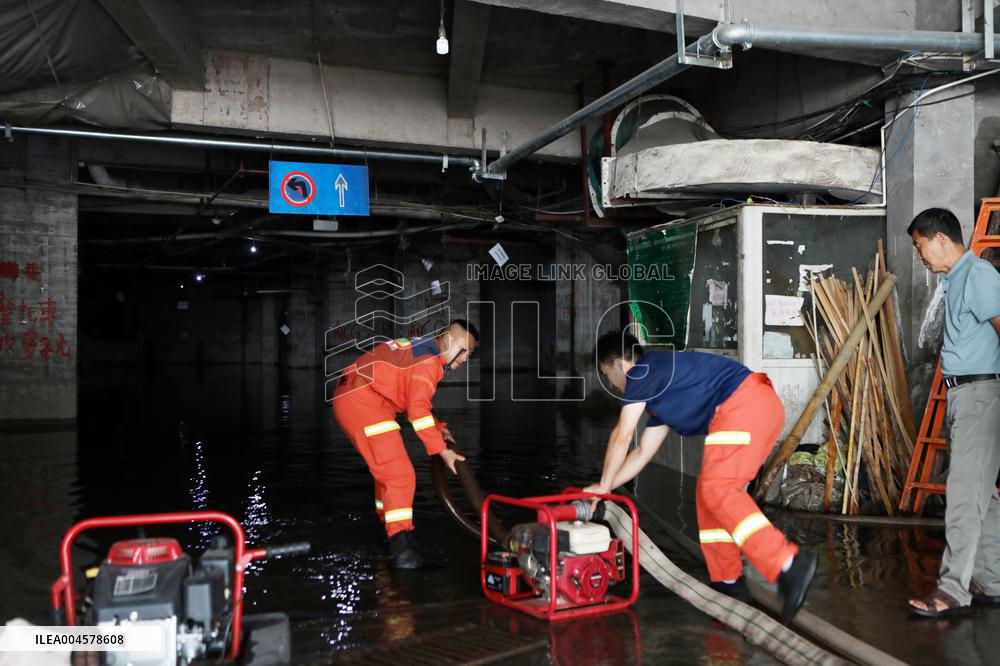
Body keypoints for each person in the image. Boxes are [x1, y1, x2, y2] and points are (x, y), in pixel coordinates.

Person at [584, 331, 817, 622]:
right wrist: (605, 486)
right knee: (709, 495)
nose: (610, 386)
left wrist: (604, 487)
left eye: (607, 376)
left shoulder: (644, 372)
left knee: (718, 490)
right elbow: (642, 452)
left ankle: (787, 563)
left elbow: (622, 435)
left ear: (620, 364)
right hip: (755, 406)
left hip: (744, 405)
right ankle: (728, 581)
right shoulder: (659, 389)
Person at [905, 207, 1000, 618]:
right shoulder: (956, 280)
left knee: (963, 495)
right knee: (983, 495)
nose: (920, 256)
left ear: (940, 239)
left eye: (920, 246)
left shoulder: (978, 275)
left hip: (981, 393)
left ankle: (951, 591)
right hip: (964, 395)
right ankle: (991, 579)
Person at [333, 319, 478, 569]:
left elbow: (414, 402)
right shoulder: (428, 362)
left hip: (359, 396)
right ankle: (404, 555)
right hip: (364, 400)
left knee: (387, 473)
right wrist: (442, 451)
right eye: (463, 350)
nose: (465, 358)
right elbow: (417, 411)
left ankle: (389, 535)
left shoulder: (423, 351)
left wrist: (438, 429)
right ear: (448, 338)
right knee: (400, 475)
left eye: (470, 354)